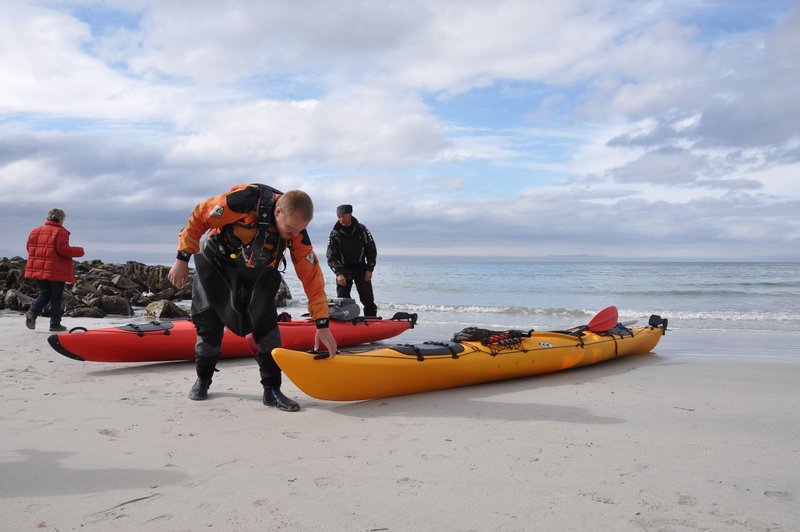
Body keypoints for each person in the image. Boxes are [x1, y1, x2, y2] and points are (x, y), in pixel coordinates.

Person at [167, 184, 337, 412]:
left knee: (268, 331)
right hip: (216, 266)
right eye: (291, 229)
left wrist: (322, 323)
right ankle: (203, 380)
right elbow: (200, 215)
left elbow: (312, 278)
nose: (294, 235)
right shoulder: (244, 201)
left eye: (299, 230)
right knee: (209, 328)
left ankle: (272, 390)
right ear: (278, 212)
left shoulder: (297, 232)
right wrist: (182, 258)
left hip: (257, 273)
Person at [24, 208, 85, 332]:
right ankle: (55, 324)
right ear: (61, 219)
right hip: (55, 270)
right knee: (56, 297)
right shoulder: (60, 232)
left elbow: (29, 248)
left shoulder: (35, 231)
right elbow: (63, 250)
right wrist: (79, 250)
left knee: (45, 293)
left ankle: (33, 312)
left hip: (38, 268)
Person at [326, 204, 378, 317]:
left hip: (361, 268)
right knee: (342, 300)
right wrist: (338, 273)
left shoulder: (362, 230)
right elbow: (331, 257)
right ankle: (346, 321)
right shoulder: (334, 233)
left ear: (350, 214)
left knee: (367, 298)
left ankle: (371, 319)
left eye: (343, 216)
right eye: (338, 216)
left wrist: (370, 269)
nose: (340, 219)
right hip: (343, 269)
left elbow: (371, 251)